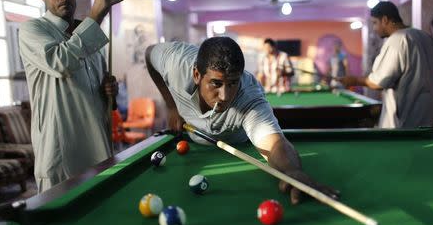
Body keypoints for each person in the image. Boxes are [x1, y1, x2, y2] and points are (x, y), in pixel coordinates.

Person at [145, 37, 339, 204]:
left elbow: (273, 142)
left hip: (237, 142)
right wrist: (171, 106)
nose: (225, 95)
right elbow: (149, 54)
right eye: (216, 83)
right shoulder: (175, 62)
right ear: (197, 74)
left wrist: (293, 170)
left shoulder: (249, 96)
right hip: (191, 141)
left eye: (232, 83)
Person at [18, 0, 125, 192]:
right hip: (60, 156)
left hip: (98, 152)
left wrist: (108, 92)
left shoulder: (90, 35)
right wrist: (95, 18)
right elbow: (61, 62)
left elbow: (97, 91)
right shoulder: (32, 30)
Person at [340, 1, 433, 128]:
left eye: (375, 23)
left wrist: (354, 80)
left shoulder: (397, 40)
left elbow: (378, 82)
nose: (374, 29)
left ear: (385, 20)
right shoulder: (424, 36)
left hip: (410, 115)